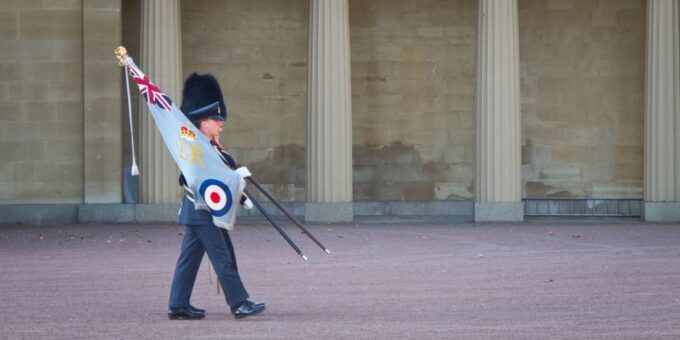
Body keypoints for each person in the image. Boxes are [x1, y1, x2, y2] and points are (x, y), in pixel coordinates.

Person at [167, 73, 265, 320]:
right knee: (223, 257)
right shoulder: (195, 145)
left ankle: (178, 304)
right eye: (215, 118)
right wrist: (235, 178)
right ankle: (239, 303)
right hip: (204, 210)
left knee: (188, 260)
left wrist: (239, 190)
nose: (221, 123)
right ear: (203, 121)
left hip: (199, 211)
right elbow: (201, 178)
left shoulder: (208, 144)